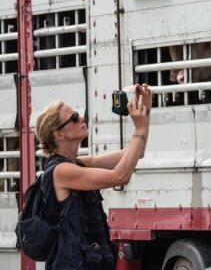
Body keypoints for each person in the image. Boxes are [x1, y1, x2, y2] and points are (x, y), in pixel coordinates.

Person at [34, 83, 152, 269]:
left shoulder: (79, 163)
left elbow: (137, 153)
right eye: (73, 118)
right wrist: (139, 129)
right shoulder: (60, 172)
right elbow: (120, 176)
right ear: (59, 135)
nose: (81, 118)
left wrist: (144, 112)